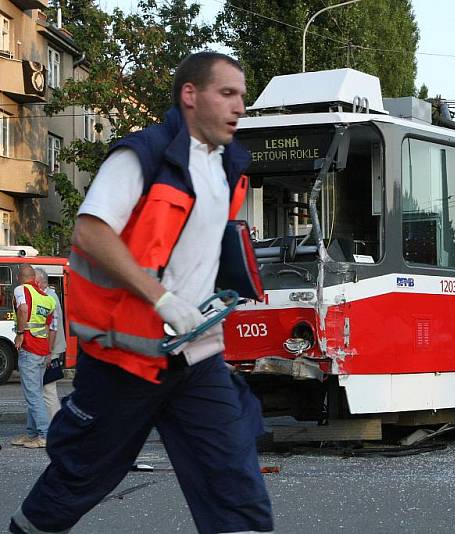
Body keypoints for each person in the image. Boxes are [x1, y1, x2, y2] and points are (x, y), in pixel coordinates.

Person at [10, 52, 273, 534]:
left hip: (195, 357)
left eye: (242, 95)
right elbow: (91, 233)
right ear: (190, 96)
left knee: (234, 480)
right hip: (124, 360)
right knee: (81, 477)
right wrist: (163, 299)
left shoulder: (229, 166)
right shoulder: (144, 154)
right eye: (227, 93)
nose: (240, 107)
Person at [9, 265, 56, 449]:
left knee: (33, 396)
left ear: (21, 277)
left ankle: (44, 435)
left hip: (29, 348)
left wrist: (20, 333)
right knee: (34, 393)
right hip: (42, 350)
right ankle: (31, 434)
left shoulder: (21, 289)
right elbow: (49, 326)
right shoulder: (47, 298)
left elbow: (23, 309)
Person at [34, 268, 66, 422]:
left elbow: (52, 328)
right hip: (49, 348)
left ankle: (56, 426)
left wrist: (47, 352)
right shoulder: (49, 295)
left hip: (49, 349)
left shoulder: (48, 297)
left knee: (48, 390)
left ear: (38, 282)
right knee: (45, 390)